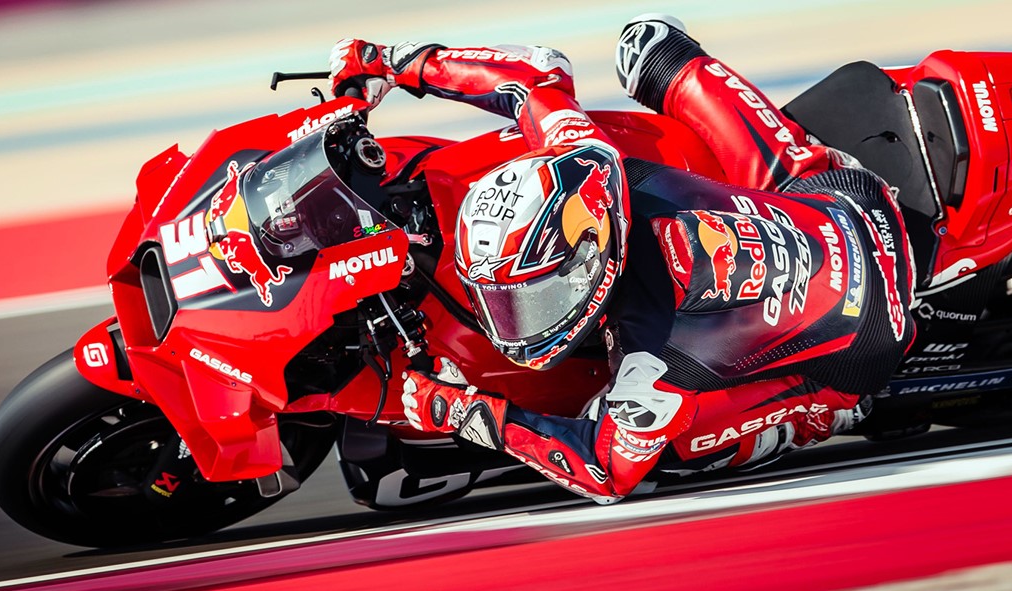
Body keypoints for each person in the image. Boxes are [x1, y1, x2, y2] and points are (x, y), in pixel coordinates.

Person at [329, 14, 915, 503]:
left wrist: (458, 410)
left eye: (532, 296)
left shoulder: (649, 362)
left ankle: (827, 413)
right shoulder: (587, 158)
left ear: (587, 263)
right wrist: (396, 62)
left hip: (868, 338)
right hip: (838, 196)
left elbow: (604, 473)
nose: (515, 316)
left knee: (666, 448)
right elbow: (534, 76)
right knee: (649, 44)